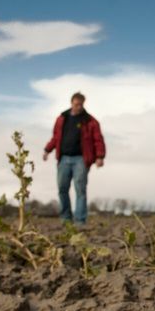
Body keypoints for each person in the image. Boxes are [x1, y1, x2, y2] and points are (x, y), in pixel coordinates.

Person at [43, 91, 106, 224]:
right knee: (62, 188)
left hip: (81, 159)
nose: (79, 107)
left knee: (80, 189)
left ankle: (80, 220)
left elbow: (98, 139)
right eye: (76, 104)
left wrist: (99, 156)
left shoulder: (90, 121)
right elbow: (56, 137)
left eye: (81, 105)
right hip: (64, 158)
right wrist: (47, 150)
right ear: (71, 103)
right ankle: (65, 218)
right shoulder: (62, 119)